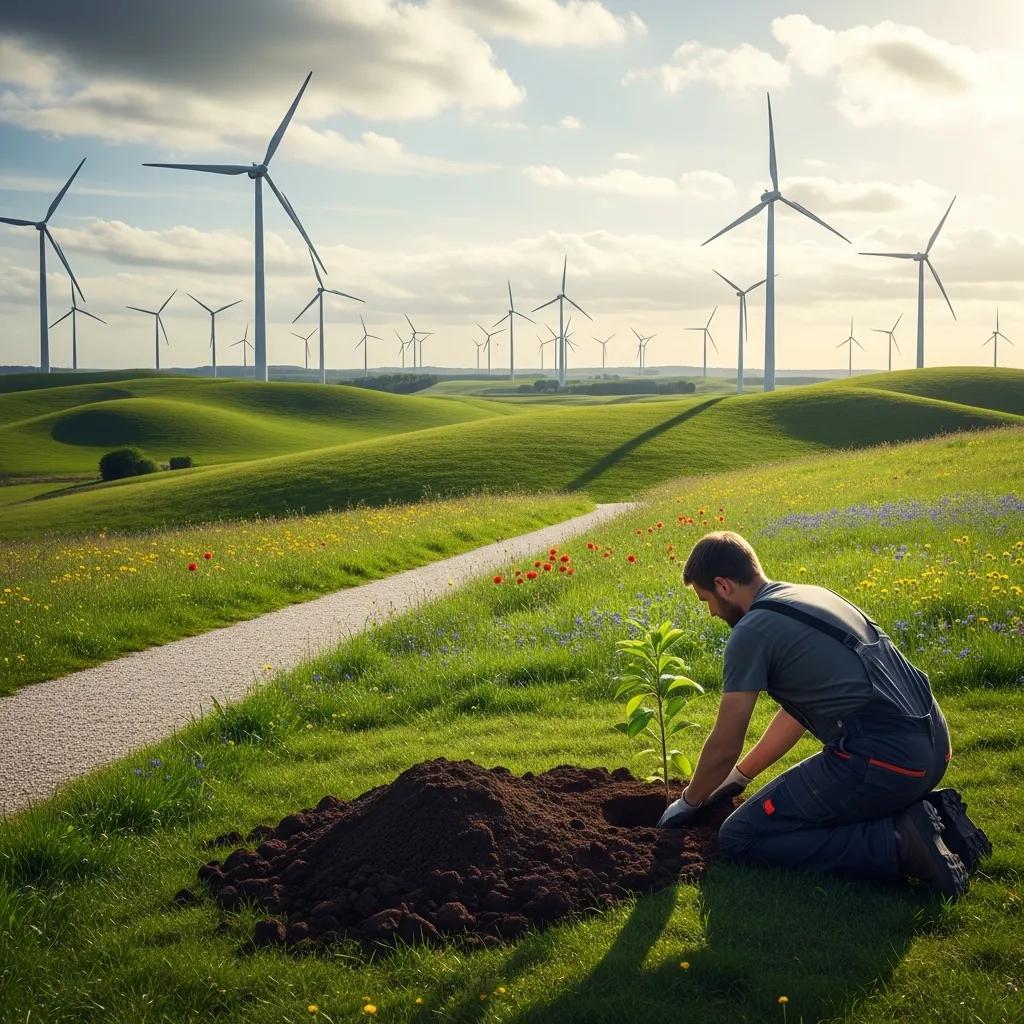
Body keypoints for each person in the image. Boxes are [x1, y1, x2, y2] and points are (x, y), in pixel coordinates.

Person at [658, 531, 991, 896]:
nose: (711, 612)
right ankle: (934, 817)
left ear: (722, 585)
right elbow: (797, 715)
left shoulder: (751, 631)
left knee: (740, 836)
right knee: (806, 809)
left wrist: (687, 802)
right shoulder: (811, 595)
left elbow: (724, 744)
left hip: (883, 760)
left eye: (706, 600)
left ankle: (901, 842)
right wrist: (739, 777)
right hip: (933, 748)